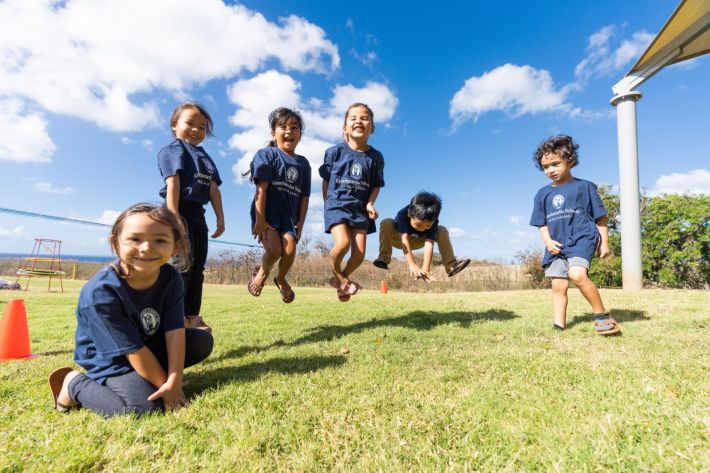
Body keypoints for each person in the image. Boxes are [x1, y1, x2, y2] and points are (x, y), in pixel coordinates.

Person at [47, 203, 214, 418]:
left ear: (176, 247)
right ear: (115, 244)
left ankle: (145, 379)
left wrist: (173, 380)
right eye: (135, 239)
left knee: (201, 341)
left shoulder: (171, 278)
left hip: (147, 344)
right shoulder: (102, 291)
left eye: (160, 240)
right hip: (109, 358)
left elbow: (175, 332)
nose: (146, 248)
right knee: (142, 410)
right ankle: (73, 384)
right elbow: (133, 350)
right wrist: (166, 387)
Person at [529, 135, 620, 335]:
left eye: (555, 164)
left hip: (582, 238)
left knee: (577, 275)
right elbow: (540, 223)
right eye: (545, 167)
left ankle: (602, 315)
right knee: (558, 285)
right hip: (556, 245)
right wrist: (548, 242)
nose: (550, 170)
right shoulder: (542, 194)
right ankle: (559, 326)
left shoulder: (585, 187)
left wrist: (604, 243)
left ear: (569, 161)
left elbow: (601, 218)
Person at [157, 102, 225, 332]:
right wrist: (174, 216)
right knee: (182, 266)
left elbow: (213, 189)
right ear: (174, 125)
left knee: (197, 268)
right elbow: (173, 182)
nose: (196, 130)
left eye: (202, 127)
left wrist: (220, 218)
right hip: (179, 211)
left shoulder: (205, 157)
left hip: (198, 215)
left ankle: (192, 317)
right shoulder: (174, 150)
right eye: (190, 124)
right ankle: (174, 318)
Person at [319, 103, 384, 302]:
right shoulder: (334, 152)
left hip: (360, 209)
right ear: (345, 127)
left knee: (359, 254)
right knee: (343, 243)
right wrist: (328, 204)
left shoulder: (376, 157)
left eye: (364, 118)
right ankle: (340, 277)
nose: (359, 121)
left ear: (371, 127)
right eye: (353, 118)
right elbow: (326, 181)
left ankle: (341, 280)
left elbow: (376, 185)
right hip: (337, 205)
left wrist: (370, 203)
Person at [247, 108, 311, 303]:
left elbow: (305, 196)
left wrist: (300, 222)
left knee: (290, 250)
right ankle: (263, 273)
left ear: (300, 134)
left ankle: (281, 279)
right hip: (266, 213)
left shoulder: (304, 164)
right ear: (273, 133)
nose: (289, 131)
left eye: (294, 127)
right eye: (283, 127)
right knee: (274, 251)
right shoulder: (267, 154)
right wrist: (259, 219)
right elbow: (261, 189)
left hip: (289, 218)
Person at [373, 192, 470, 280]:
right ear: (410, 214)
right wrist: (412, 264)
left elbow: (429, 244)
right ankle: (384, 258)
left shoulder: (434, 220)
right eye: (419, 225)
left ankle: (451, 266)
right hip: (399, 240)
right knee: (386, 222)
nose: (423, 228)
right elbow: (404, 239)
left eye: (428, 225)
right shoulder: (403, 214)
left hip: (419, 241)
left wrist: (426, 269)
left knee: (442, 230)